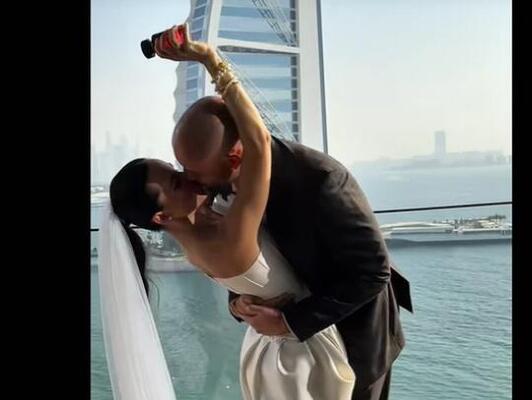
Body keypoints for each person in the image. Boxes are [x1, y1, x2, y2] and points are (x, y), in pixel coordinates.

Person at [101, 23, 356, 400]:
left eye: (177, 170)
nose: (189, 178)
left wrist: (239, 303)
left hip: (268, 348)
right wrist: (210, 60)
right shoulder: (224, 239)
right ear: (161, 217)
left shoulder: (198, 230)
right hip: (300, 357)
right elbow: (258, 142)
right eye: (177, 183)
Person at [169, 29, 414, 400]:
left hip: (355, 341)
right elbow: (245, 256)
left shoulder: (322, 180)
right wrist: (239, 303)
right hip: (293, 354)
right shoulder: (219, 185)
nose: (190, 182)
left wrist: (289, 322)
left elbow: (373, 272)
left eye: (195, 173)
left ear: (235, 157)